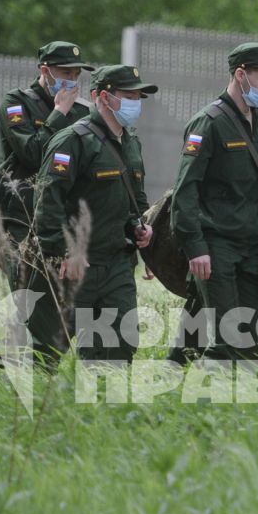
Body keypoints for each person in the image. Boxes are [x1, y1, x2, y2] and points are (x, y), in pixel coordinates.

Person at [169, 41, 258, 361]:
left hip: (251, 242)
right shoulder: (209, 123)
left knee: (257, 343)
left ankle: (177, 371)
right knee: (230, 341)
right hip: (216, 243)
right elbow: (185, 190)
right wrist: (195, 247)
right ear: (240, 75)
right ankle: (201, 399)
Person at [27, 64, 157, 365]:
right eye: (127, 95)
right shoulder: (71, 141)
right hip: (76, 265)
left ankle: (99, 406)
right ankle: (4, 389)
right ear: (100, 96)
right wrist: (63, 251)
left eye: (138, 96)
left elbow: (134, 198)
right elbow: (47, 203)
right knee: (45, 351)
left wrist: (141, 227)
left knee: (119, 345)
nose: (134, 103)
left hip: (116, 262)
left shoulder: (131, 141)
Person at [0, 40, 94, 258]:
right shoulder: (16, 102)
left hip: (66, 213)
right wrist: (59, 113)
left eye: (76, 74)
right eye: (65, 73)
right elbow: (31, 155)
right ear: (45, 70)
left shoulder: (81, 111)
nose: (71, 81)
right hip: (22, 214)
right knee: (28, 287)